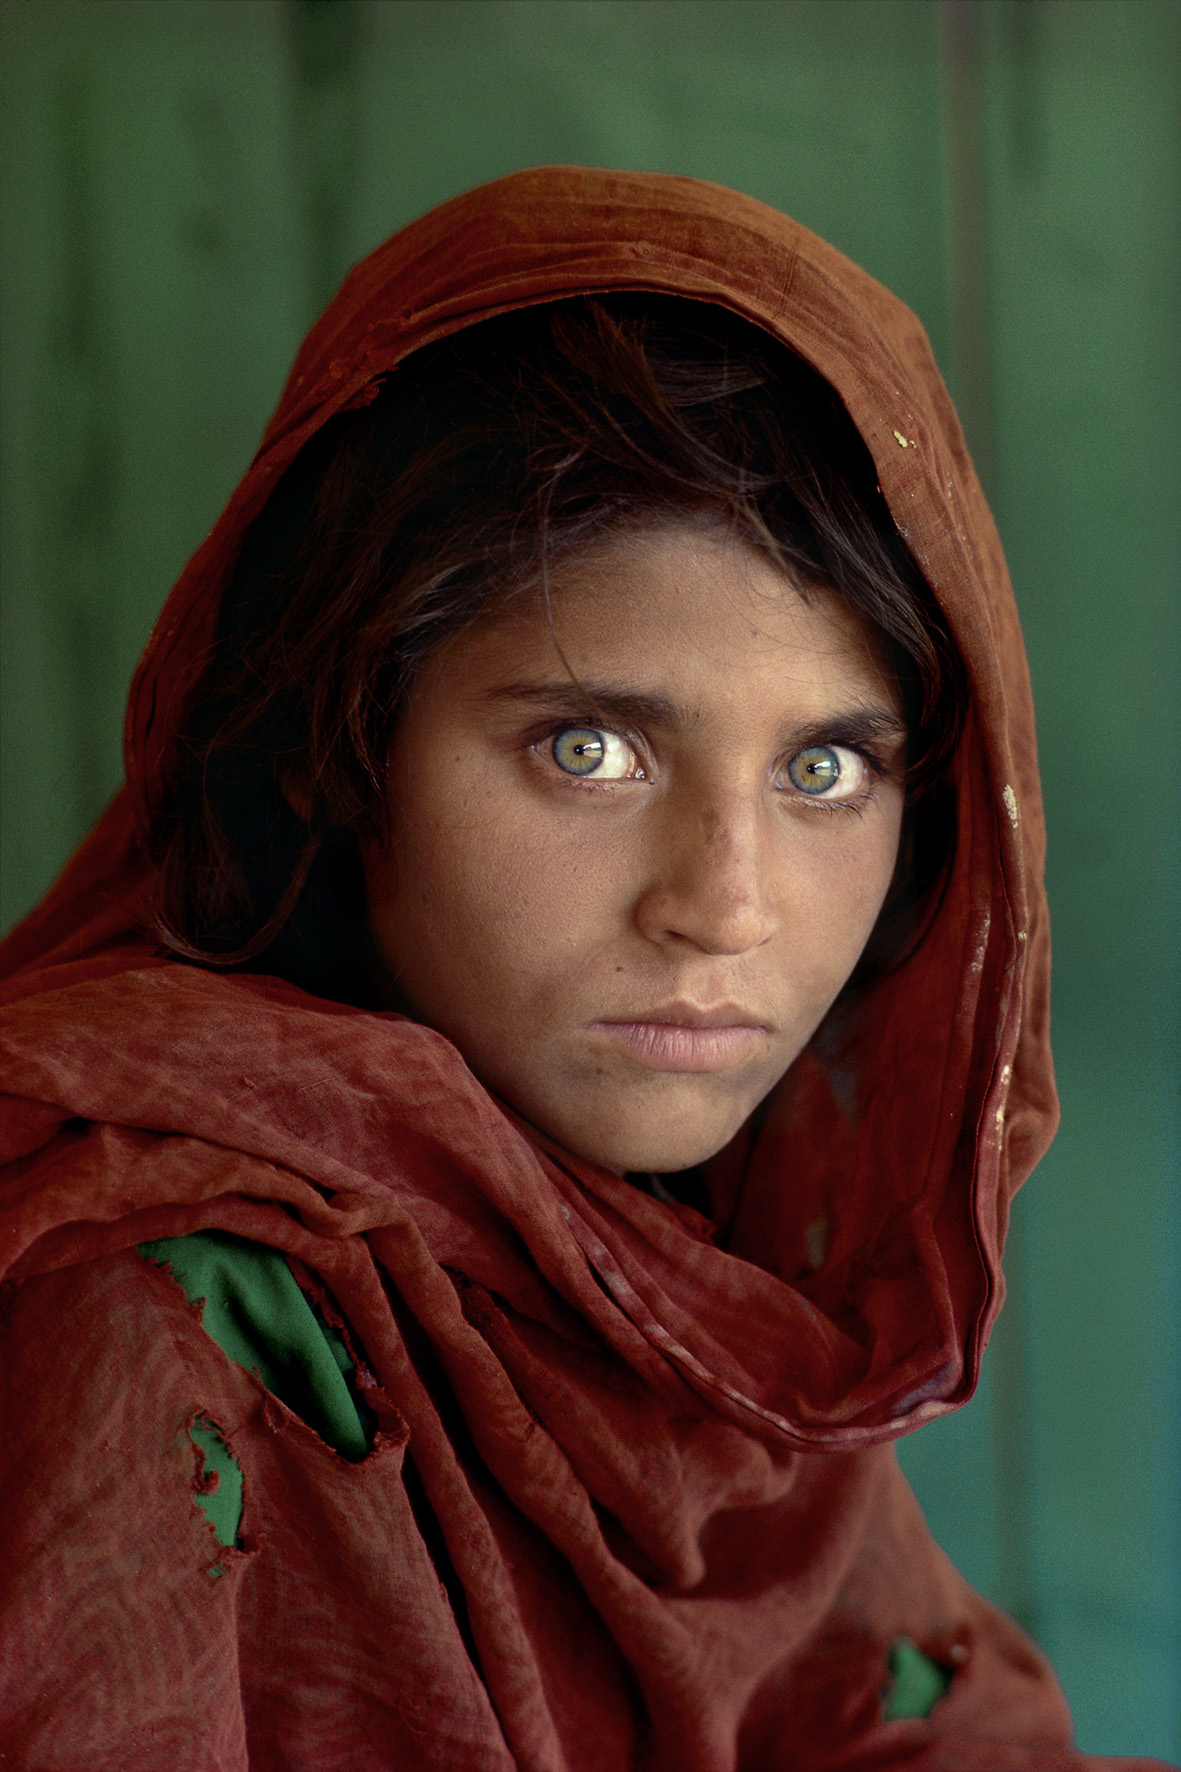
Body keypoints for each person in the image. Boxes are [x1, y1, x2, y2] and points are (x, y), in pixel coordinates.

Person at [0, 168, 1162, 1771]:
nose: (726, 907)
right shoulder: (150, 1307)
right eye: (588, 745)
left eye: (824, 771)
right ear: (346, 748)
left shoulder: (690, 1296)